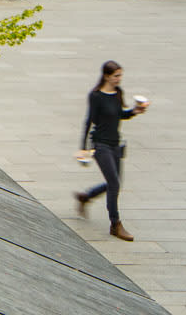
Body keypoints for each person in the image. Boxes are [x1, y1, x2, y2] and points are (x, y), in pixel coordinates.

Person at [73, 60, 148, 241]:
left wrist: (134, 111)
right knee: (114, 183)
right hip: (101, 145)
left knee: (115, 183)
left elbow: (119, 115)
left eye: (120, 75)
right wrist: (83, 148)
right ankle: (115, 224)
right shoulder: (96, 96)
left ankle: (86, 196)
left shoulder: (118, 93)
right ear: (106, 76)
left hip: (116, 144)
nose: (118, 79)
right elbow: (89, 121)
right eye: (116, 76)